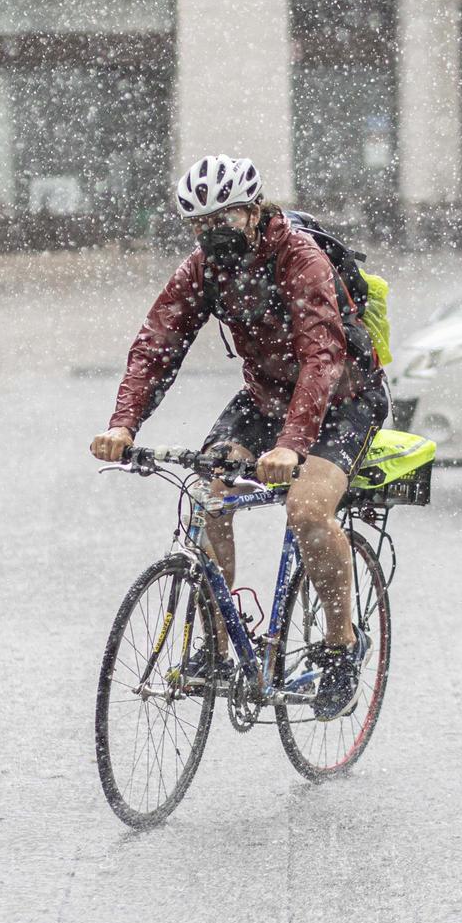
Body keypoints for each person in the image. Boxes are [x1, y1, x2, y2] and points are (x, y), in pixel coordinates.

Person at [90, 155, 388, 715]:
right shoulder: (204, 267)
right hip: (266, 397)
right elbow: (157, 344)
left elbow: (321, 356)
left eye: (221, 219)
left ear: (253, 211)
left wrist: (293, 445)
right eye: (198, 224)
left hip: (344, 398)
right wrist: (123, 422)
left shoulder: (300, 258)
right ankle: (219, 649)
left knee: (305, 510)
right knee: (207, 496)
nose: (210, 234)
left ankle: (342, 644)